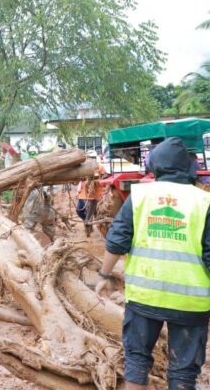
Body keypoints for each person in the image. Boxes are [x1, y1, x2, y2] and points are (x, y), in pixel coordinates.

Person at [96, 137, 210, 390]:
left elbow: (117, 240)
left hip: (144, 298)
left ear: (155, 165)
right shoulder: (204, 203)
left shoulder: (140, 196)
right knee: (183, 373)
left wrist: (104, 276)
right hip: (191, 302)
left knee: (136, 361)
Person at [76, 150, 107, 236]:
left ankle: (88, 227)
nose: (90, 159)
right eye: (89, 158)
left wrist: (96, 180)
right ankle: (88, 222)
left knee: (89, 213)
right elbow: (79, 180)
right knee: (79, 211)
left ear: (94, 158)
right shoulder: (83, 169)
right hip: (82, 194)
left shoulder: (100, 167)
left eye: (92, 158)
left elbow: (104, 178)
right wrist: (78, 190)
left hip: (94, 196)